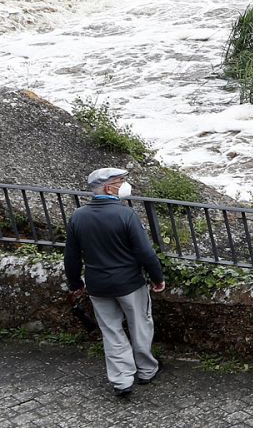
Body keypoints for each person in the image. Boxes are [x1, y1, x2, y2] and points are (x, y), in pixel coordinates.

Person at [64, 167, 166, 399]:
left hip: (97, 285)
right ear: (109, 187)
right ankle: (147, 370)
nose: (124, 185)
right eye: (121, 181)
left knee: (111, 331)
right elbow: (145, 253)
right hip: (129, 283)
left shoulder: (78, 216)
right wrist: (157, 278)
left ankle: (121, 380)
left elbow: (71, 256)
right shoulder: (126, 215)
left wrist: (74, 282)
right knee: (140, 324)